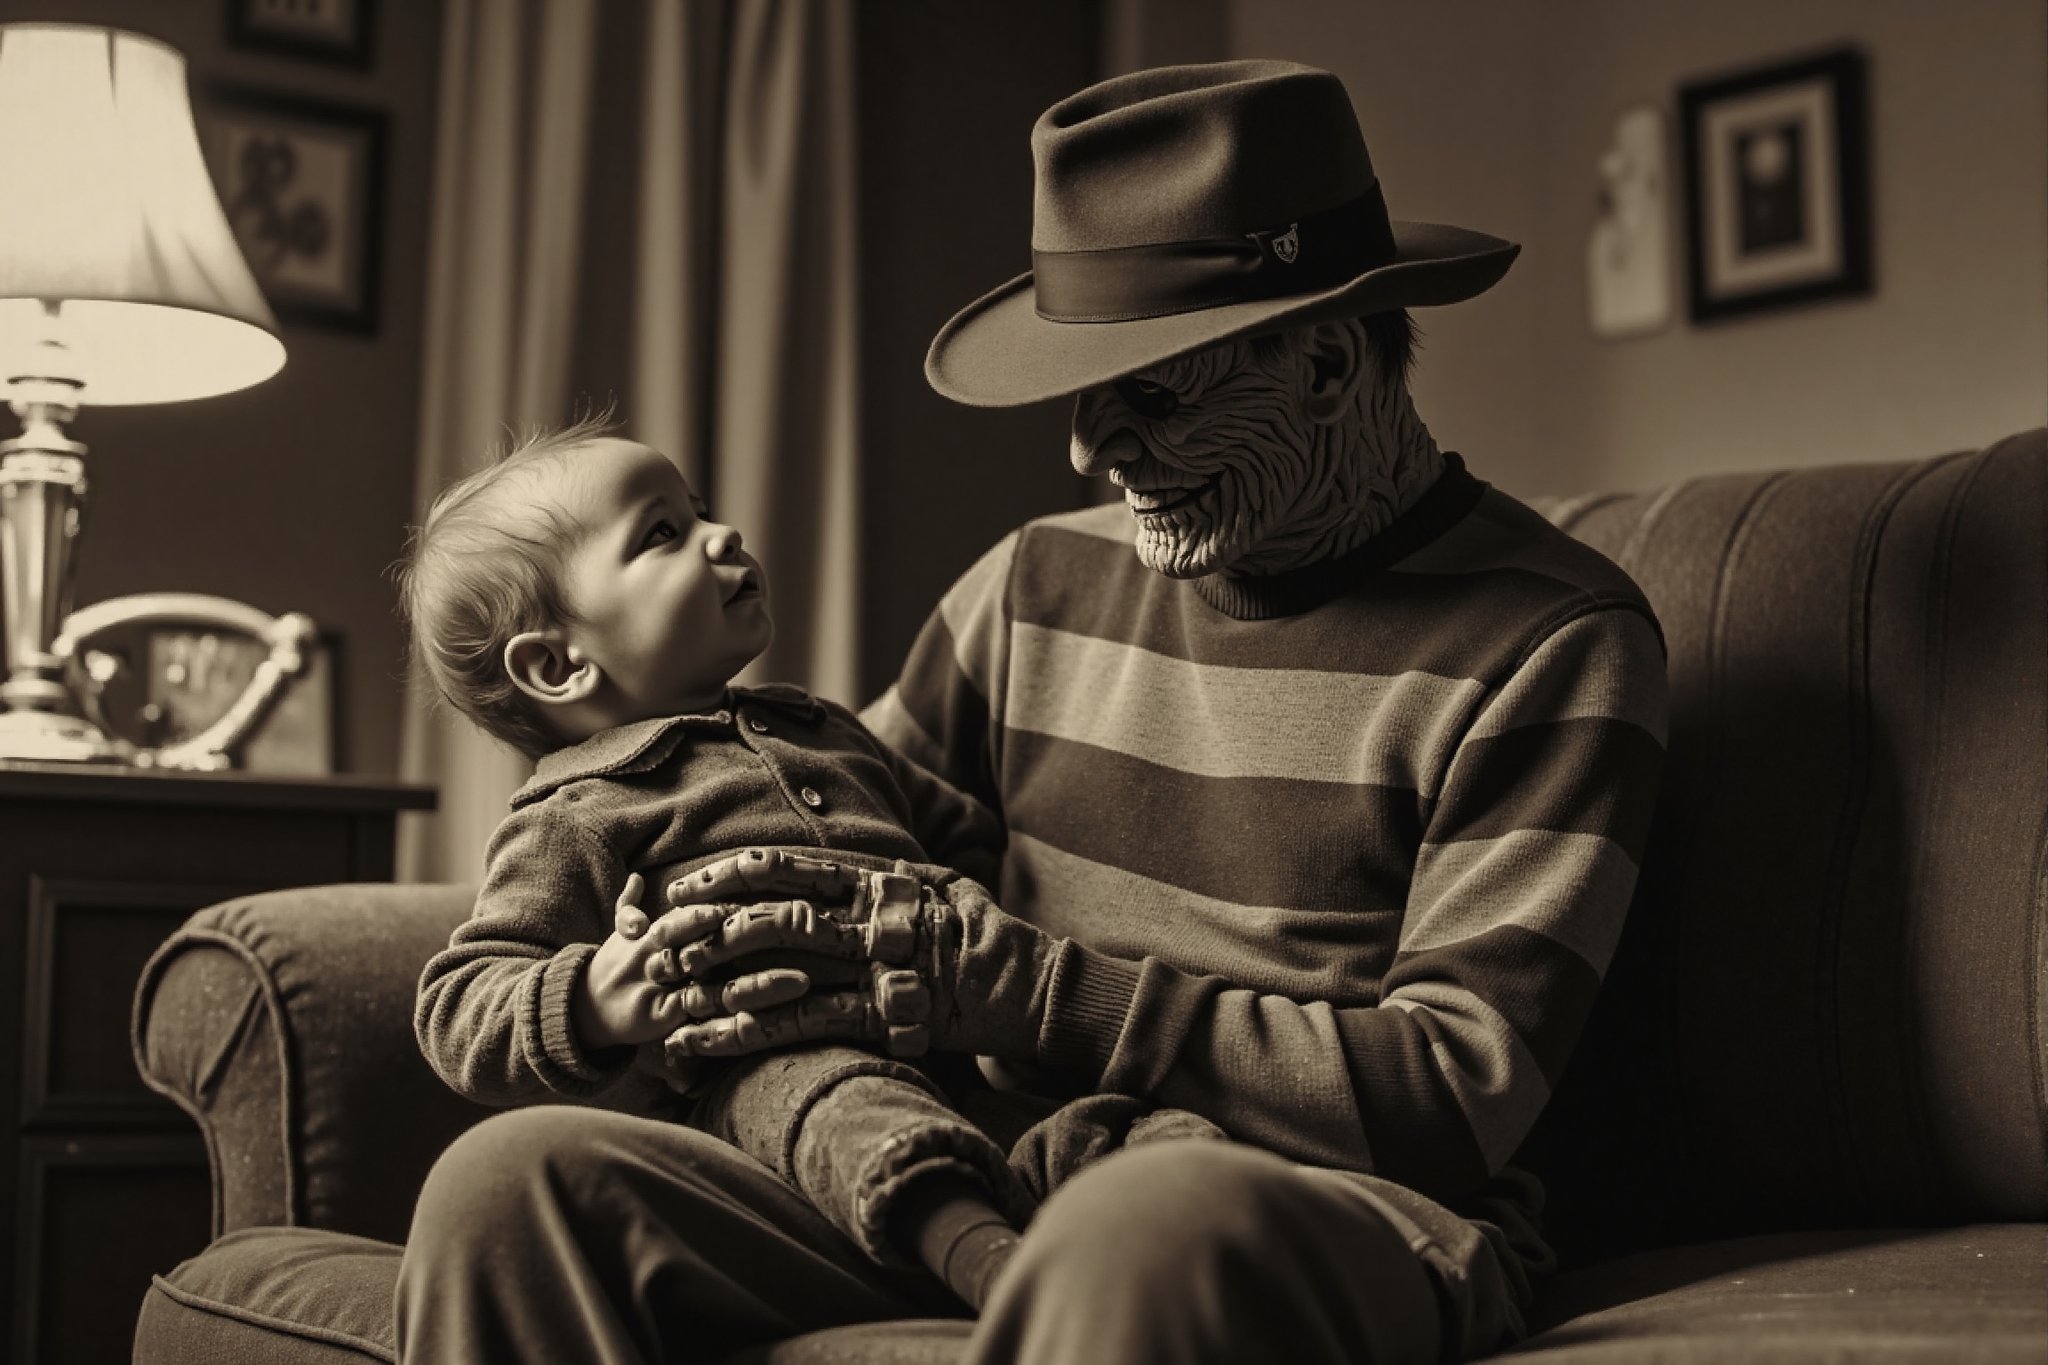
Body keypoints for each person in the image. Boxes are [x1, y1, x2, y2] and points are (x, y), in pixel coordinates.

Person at [397, 59, 1669, 1365]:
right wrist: (676, 966)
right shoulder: (1031, 585)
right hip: (981, 1171)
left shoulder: (1555, 643)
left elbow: (1455, 1099)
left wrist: (1021, 992)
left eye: (1154, 392)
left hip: (1308, 1204)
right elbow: (837, 866)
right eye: (1080, 385)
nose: (1086, 451)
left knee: (1140, 1221)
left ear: (1331, 365)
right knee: (514, 1188)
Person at [394, 421, 1051, 1321]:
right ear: (556, 664)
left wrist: (969, 930)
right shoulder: (578, 812)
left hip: (956, 1051)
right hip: (763, 1083)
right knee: (844, 1105)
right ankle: (1004, 1280)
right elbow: (459, 1003)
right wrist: (593, 995)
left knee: (1104, 1124)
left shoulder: (825, 725)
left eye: (699, 511)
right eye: (662, 533)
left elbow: (959, 832)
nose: (723, 534)